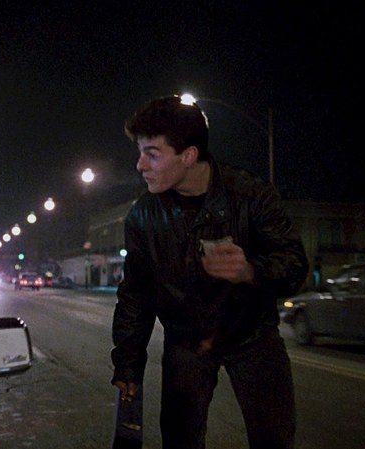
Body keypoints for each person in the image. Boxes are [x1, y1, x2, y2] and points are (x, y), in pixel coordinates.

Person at [111, 95, 309, 449]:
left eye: (152, 154)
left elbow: (294, 265)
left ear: (188, 156)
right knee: (180, 439)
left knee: (274, 440)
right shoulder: (144, 215)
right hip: (185, 342)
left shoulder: (251, 195)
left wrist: (251, 271)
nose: (140, 165)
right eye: (140, 153)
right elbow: (136, 294)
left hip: (253, 338)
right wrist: (128, 364)